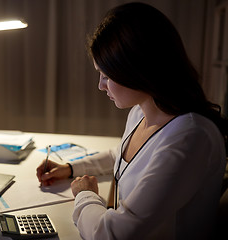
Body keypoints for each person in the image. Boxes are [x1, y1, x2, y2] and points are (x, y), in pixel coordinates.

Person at [36, 2, 228, 239]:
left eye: (106, 75)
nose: (100, 85)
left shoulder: (191, 138)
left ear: (137, 69)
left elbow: (111, 235)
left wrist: (85, 195)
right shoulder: (142, 112)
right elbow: (122, 156)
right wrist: (71, 169)